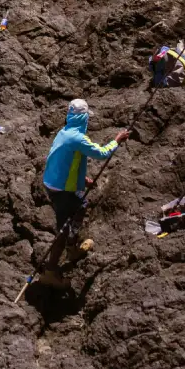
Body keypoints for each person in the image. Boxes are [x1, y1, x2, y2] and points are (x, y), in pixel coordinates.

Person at [39, 99, 130, 287]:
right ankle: (51, 271)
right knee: (63, 228)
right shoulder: (78, 138)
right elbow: (101, 153)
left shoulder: (63, 133)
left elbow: (67, 162)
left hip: (52, 182)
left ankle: (71, 247)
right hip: (61, 189)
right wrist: (117, 140)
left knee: (81, 205)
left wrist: (82, 181)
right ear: (84, 118)